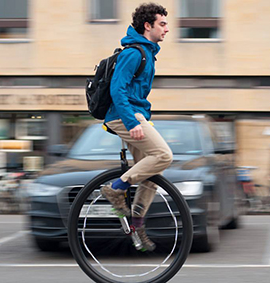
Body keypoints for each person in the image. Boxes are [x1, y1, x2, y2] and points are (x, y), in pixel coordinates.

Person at [100, 3, 171, 252]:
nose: (167, 29)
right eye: (162, 24)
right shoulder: (134, 53)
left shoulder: (148, 54)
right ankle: (115, 188)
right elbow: (116, 89)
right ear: (147, 25)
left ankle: (137, 223)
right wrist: (133, 123)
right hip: (123, 116)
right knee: (163, 155)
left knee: (152, 175)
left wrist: (141, 119)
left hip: (135, 116)